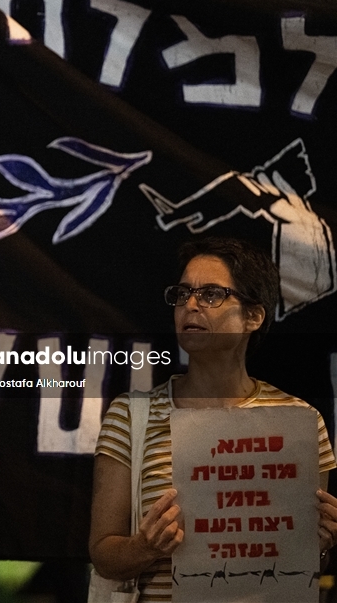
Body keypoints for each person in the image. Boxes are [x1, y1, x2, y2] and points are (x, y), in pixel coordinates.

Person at [89, 237, 337, 602]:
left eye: (210, 295)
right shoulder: (130, 416)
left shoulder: (299, 422)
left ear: (253, 316)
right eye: (182, 293)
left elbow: (308, 566)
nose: (190, 305)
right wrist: (146, 546)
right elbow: (103, 555)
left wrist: (320, 543)